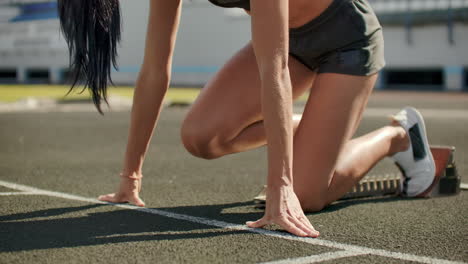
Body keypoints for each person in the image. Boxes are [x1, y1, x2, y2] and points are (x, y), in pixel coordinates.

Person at [57, 0, 436, 238]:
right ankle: (313, 130)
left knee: (306, 195)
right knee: (201, 137)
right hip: (290, 42)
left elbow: (274, 69)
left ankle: (398, 134)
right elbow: (155, 70)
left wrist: (280, 187)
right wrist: (130, 180)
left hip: (347, 40)